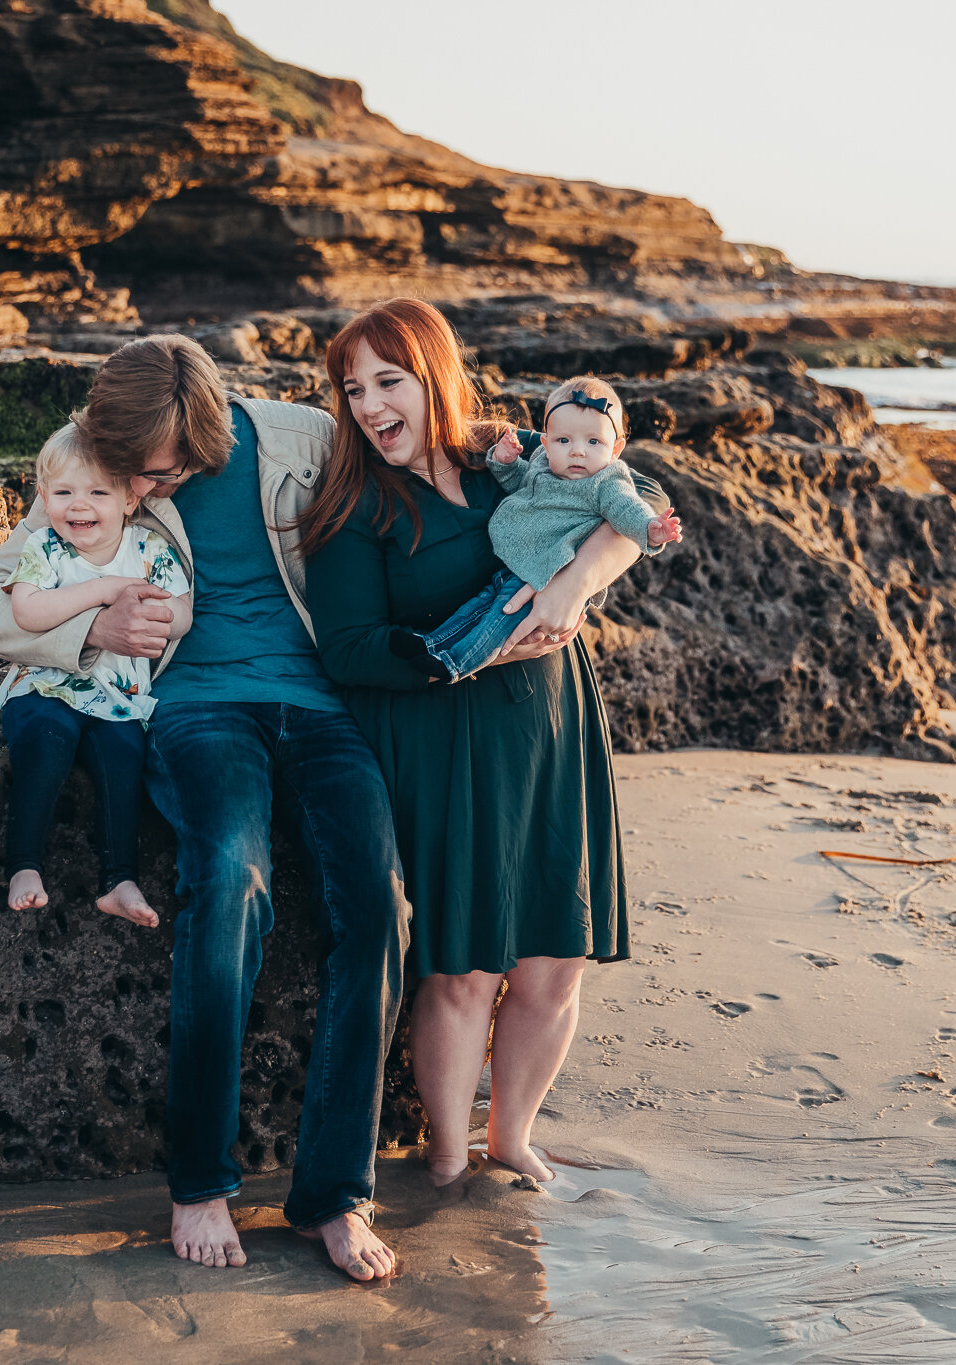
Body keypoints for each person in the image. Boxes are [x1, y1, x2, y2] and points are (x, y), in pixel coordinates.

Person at [0, 335, 408, 1282]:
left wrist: (526, 456)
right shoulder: (92, 453)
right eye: (135, 474)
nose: (147, 489)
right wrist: (90, 627)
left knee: (379, 905)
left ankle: (335, 1192)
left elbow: (415, 466)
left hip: (322, 706)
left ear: (211, 432)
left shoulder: (302, 438)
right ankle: (200, 1181)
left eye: (164, 474)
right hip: (195, 709)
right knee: (230, 875)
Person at [300, 299, 676, 1187]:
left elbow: (642, 497)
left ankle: (511, 1135)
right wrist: (486, 649)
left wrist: (574, 586)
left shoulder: (511, 456)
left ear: (434, 377)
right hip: (440, 745)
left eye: (388, 381)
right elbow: (349, 650)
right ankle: (443, 1151)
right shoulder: (356, 503)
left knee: (555, 957)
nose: (368, 405)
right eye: (353, 389)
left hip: (551, 731)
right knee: (464, 966)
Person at [0, 430, 191, 927]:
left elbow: (182, 615)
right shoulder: (46, 546)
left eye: (98, 492)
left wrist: (155, 616)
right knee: (45, 740)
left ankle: (119, 880)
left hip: (117, 698)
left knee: (123, 760)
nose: (79, 506)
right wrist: (104, 590)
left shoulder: (148, 549)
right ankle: (24, 866)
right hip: (44, 685)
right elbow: (28, 610)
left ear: (129, 498)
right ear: (43, 497)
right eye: (63, 493)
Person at [390, 375, 681, 680]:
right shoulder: (545, 461)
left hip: (547, 571)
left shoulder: (606, 482)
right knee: (478, 607)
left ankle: (454, 664)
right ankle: (431, 644)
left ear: (616, 448)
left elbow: (627, 508)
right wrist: (506, 462)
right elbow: (523, 487)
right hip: (520, 562)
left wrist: (650, 528)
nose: (577, 451)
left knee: (499, 619)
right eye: (563, 440)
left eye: (593, 442)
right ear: (545, 441)